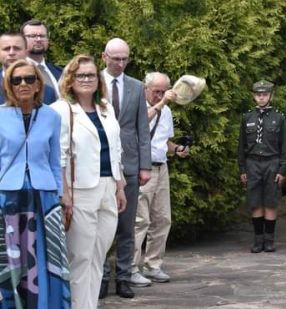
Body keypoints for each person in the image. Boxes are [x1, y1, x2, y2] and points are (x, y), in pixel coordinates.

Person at [51, 55, 127, 309]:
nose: (86, 79)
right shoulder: (61, 110)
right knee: (80, 257)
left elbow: (115, 149)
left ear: (98, 79)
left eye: (91, 75)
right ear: (70, 79)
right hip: (79, 191)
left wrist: (120, 185)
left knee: (98, 255)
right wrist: (65, 193)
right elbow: (59, 155)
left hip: (108, 188)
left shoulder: (106, 107)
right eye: (80, 75)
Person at [0, 59, 71, 307]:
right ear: (8, 85)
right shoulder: (0, 116)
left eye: (29, 79)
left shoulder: (51, 116)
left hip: (44, 197)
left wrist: (61, 196)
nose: (23, 84)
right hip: (8, 196)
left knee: (43, 256)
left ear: (38, 84)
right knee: (11, 259)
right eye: (16, 80)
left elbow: (55, 160)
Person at [100, 38, 151, 298]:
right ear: (104, 57)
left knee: (126, 226)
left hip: (130, 164)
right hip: (100, 165)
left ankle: (123, 277)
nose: (120, 63)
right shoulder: (92, 83)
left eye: (124, 59)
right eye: (115, 58)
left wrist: (145, 166)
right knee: (100, 226)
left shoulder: (136, 86)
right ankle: (101, 277)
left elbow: (143, 129)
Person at [133, 72, 189, 282]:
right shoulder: (138, 106)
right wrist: (160, 104)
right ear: (145, 89)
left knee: (163, 219)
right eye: (156, 91)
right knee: (139, 221)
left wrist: (178, 149)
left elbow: (164, 142)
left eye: (164, 91)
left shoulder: (165, 111)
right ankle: (131, 268)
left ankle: (153, 265)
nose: (160, 95)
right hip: (141, 169)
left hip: (161, 167)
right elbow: (137, 128)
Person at [237, 80, 286, 253]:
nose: (261, 97)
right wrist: (242, 169)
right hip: (252, 163)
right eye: (258, 94)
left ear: (271, 96)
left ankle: (269, 240)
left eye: (265, 94)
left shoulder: (279, 117)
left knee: (271, 201)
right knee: (255, 201)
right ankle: (258, 240)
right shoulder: (247, 117)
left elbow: (284, 147)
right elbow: (241, 146)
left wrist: (282, 169)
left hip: (272, 162)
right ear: (254, 96)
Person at [0, 31, 58, 105]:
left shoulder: (47, 92)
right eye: (6, 49)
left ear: (26, 52)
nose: (11, 53)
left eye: (17, 48)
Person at [22, 19, 63, 95]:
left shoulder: (60, 72)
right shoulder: (12, 73)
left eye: (42, 36)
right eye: (33, 36)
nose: (38, 40)